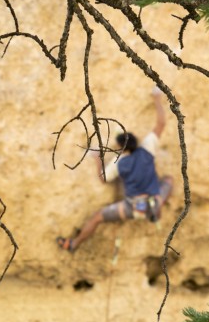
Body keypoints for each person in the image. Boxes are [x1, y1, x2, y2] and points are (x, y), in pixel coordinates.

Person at [56, 87, 174, 251]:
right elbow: (161, 123)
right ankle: (157, 205)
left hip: (132, 207)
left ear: (120, 147)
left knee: (97, 218)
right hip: (153, 201)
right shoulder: (147, 148)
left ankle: (74, 244)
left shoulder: (120, 162)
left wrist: (98, 158)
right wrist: (156, 99)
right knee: (168, 180)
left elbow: (103, 178)